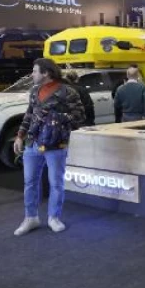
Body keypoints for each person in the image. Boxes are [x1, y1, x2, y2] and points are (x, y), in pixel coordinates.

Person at [12, 58, 85, 236]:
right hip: (32, 143)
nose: (32, 74)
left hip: (56, 144)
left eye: (35, 71)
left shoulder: (67, 91)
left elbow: (80, 116)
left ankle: (54, 217)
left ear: (46, 73)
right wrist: (20, 136)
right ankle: (31, 218)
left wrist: (56, 117)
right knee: (30, 182)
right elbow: (29, 114)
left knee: (56, 183)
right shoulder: (34, 90)